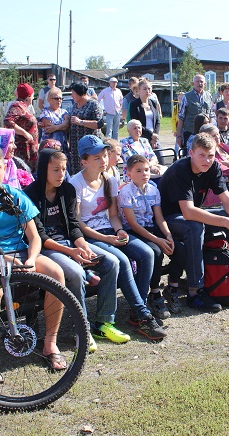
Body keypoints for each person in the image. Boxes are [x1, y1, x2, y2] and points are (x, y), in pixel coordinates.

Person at [0, 143, 69, 383]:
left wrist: (29, 259)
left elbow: (35, 237)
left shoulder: (15, 195)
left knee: (57, 274)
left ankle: (50, 343)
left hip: (20, 255)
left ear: (5, 168)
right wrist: (7, 261)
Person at [25, 148, 128, 351]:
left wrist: (81, 247)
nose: (61, 174)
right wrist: (72, 253)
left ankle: (104, 322)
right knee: (76, 273)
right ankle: (81, 329)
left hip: (69, 243)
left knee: (111, 263)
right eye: (55, 170)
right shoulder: (30, 194)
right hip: (46, 248)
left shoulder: (67, 190)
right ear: (43, 169)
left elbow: (73, 226)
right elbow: (39, 236)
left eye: (63, 169)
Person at [69, 135, 166, 339]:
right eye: (97, 157)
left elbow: (113, 215)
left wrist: (119, 230)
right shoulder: (75, 183)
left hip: (111, 232)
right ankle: (142, 314)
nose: (104, 160)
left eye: (105, 155)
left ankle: (135, 309)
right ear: (84, 161)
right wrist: (106, 239)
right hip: (91, 237)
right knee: (121, 261)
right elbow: (78, 223)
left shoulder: (110, 179)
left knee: (147, 253)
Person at [158, 133, 229, 313]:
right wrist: (227, 222)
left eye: (210, 155)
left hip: (190, 214)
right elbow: (188, 212)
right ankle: (195, 291)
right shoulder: (180, 170)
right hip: (167, 218)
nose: (206, 160)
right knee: (195, 226)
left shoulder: (213, 167)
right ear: (191, 153)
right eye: (201, 155)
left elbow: (226, 199)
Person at [118, 154, 182, 320]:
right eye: (138, 171)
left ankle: (173, 287)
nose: (144, 173)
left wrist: (167, 235)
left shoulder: (153, 189)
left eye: (146, 169)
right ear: (129, 173)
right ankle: (154, 293)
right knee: (156, 251)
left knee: (179, 248)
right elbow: (132, 224)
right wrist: (158, 240)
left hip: (152, 228)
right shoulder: (126, 192)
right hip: (134, 231)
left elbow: (159, 217)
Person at [69, 82, 104, 173]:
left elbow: (99, 123)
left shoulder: (93, 104)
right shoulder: (75, 105)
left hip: (90, 144)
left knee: (90, 168)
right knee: (76, 169)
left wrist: (81, 122)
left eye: (73, 93)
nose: (71, 95)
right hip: (75, 144)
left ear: (80, 93)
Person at [3, 83, 38, 172]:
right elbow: (8, 121)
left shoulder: (24, 106)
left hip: (30, 149)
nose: (33, 98)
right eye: (32, 96)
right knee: (24, 173)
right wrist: (25, 133)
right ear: (28, 96)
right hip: (23, 149)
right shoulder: (17, 105)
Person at [176, 74, 213, 149]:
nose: (200, 83)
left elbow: (211, 114)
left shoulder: (209, 96)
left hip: (205, 133)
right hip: (190, 133)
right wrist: (179, 136)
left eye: (201, 82)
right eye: (197, 81)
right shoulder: (186, 97)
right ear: (193, 83)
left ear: (205, 84)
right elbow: (181, 117)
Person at [129, 78, 160, 149]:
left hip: (154, 137)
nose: (147, 91)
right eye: (144, 89)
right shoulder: (134, 105)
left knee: (160, 157)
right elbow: (136, 124)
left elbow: (157, 121)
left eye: (149, 89)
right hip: (141, 137)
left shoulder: (153, 103)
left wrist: (155, 136)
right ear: (139, 90)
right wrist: (151, 135)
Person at [38, 87, 69, 153]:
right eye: (56, 98)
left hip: (63, 146)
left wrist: (56, 127)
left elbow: (67, 125)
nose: (59, 100)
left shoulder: (64, 112)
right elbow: (49, 128)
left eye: (61, 98)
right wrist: (62, 125)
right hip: (50, 147)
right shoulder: (45, 112)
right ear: (49, 100)